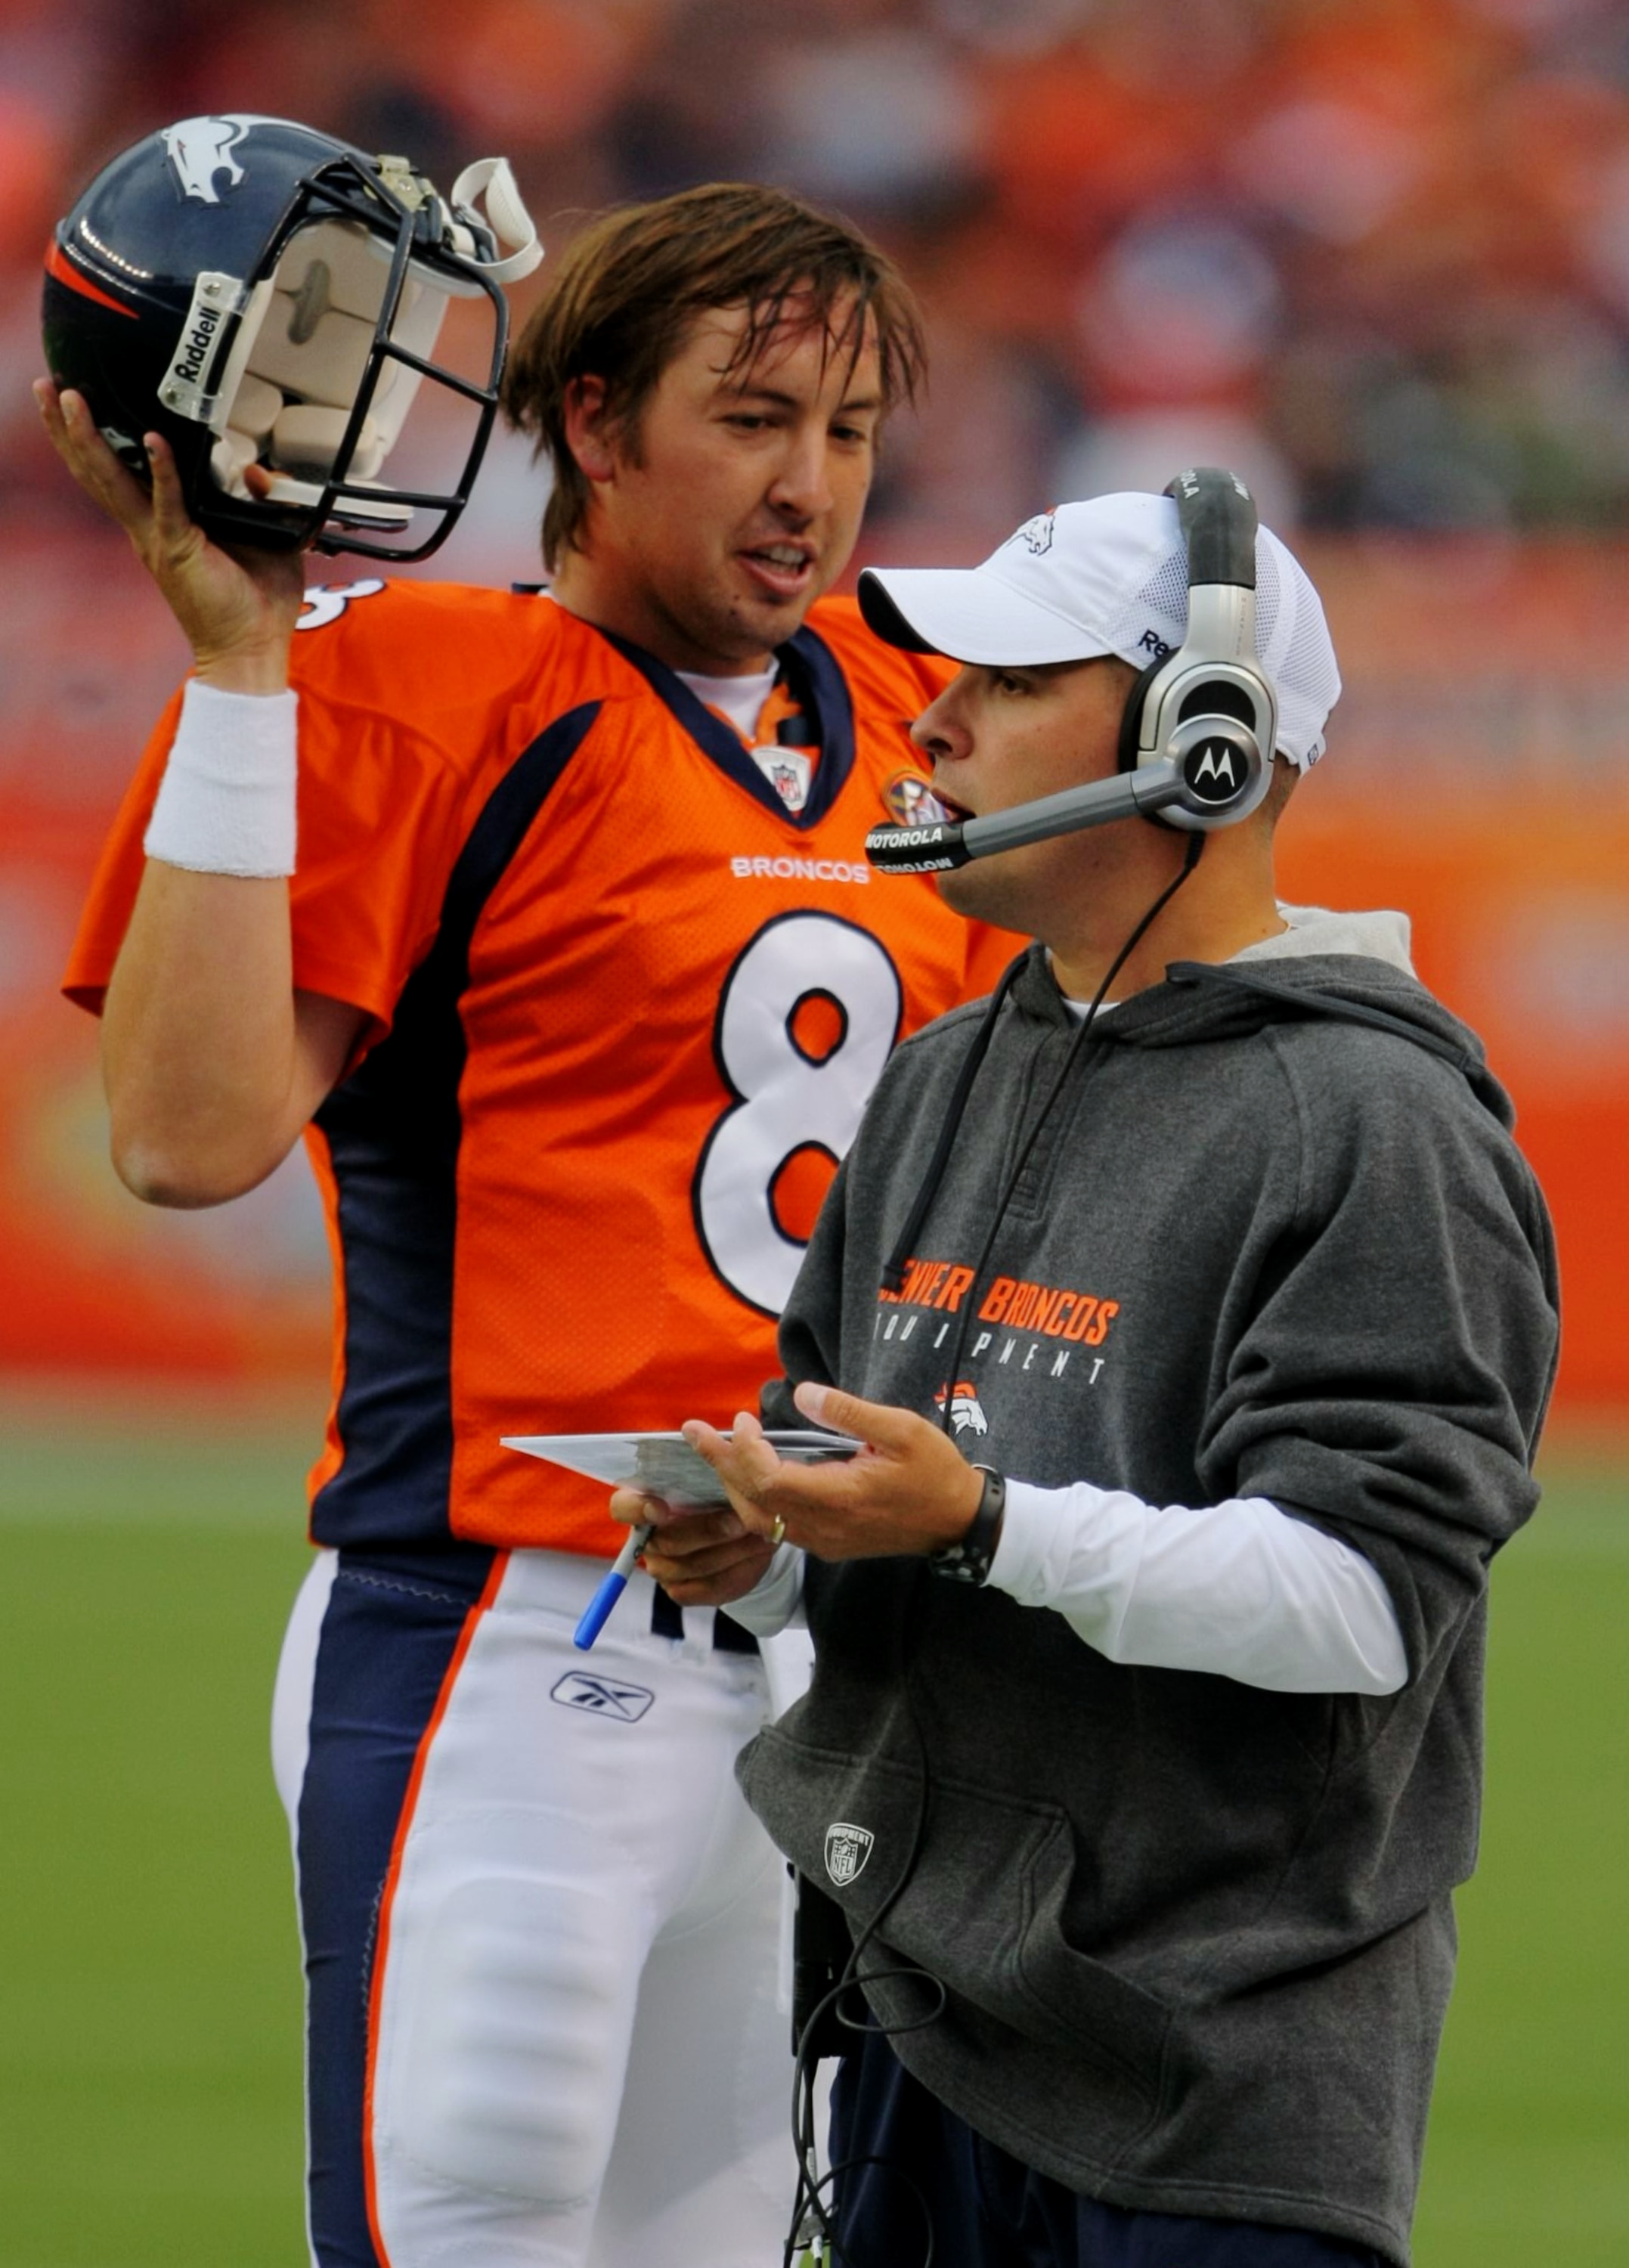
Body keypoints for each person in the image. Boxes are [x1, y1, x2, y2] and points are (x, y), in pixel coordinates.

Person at [44, 166, 1019, 2268]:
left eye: (847, 433)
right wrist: (235, 673)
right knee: (467, 2223)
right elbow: (191, 1137)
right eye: (750, 419)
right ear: (590, 423)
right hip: (505, 1622)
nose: (811, 489)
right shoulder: (419, 684)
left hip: (827, 1660)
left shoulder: (923, 710)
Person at [626, 486, 1560, 2268]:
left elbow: (1366, 1601)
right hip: (916, 2047)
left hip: (1220, 2102)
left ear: (1202, 739)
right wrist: (770, 1560)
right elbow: (883, 1519)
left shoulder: (1375, 1119)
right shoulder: (947, 1070)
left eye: (1006, 678)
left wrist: (973, 1521)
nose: (934, 719)